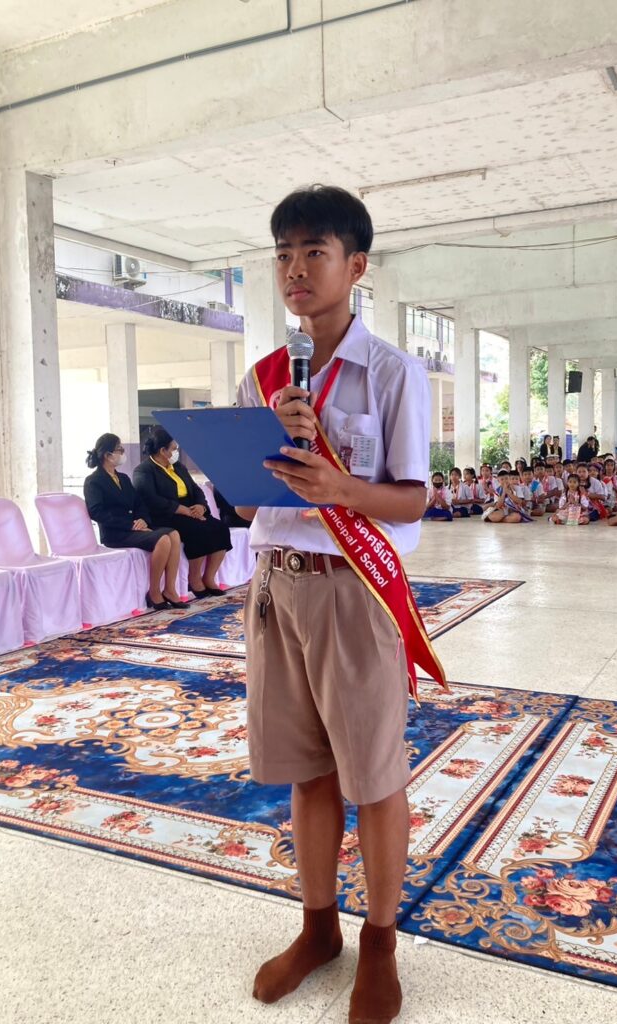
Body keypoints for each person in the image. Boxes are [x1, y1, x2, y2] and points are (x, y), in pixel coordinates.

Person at [235, 185, 444, 1024]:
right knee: (306, 769)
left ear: (355, 266)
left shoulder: (391, 372)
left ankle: (380, 943)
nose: (296, 270)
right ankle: (318, 927)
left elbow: (414, 497)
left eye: (314, 253)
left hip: (352, 591)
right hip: (274, 587)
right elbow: (247, 502)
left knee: (375, 776)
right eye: (284, 254)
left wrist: (342, 488)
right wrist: (255, 456)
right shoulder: (265, 377)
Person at [83, 432, 182, 610]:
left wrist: (143, 519)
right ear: (107, 455)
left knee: (174, 534)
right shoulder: (93, 481)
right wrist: (130, 525)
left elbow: (139, 503)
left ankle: (169, 589)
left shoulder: (123, 478)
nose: (123, 453)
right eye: (119, 449)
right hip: (116, 533)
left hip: (134, 527)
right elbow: (97, 512)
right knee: (163, 540)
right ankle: (154, 591)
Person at [133, 427, 231, 598]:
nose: (176, 452)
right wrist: (181, 510)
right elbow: (150, 499)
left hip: (191, 509)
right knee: (198, 530)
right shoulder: (144, 470)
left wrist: (200, 506)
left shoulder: (178, 466)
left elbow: (196, 489)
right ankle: (194, 579)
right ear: (162, 451)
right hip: (166, 514)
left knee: (220, 528)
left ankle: (209, 577)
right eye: (173, 448)